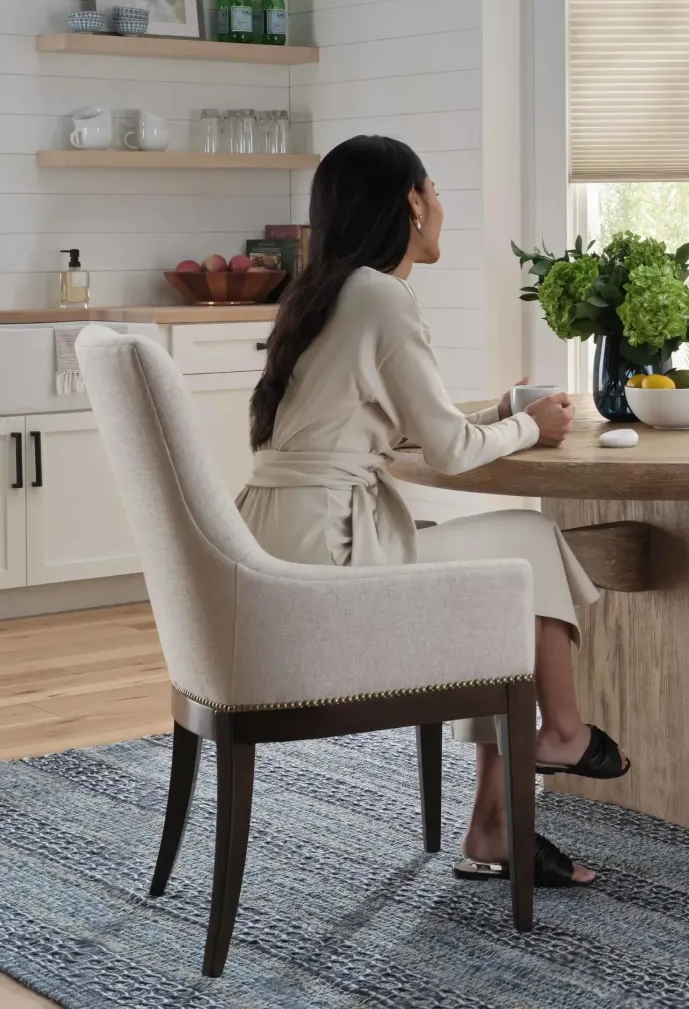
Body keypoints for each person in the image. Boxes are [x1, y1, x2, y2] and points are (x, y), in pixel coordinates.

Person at [238, 135, 625, 889]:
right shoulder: (381, 294)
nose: (442, 207)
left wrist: (501, 412)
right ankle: (563, 736)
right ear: (411, 203)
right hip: (329, 559)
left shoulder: (329, 291)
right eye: (436, 191)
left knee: (506, 562)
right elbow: (447, 451)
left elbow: (409, 421)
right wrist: (531, 427)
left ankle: (498, 816)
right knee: (527, 540)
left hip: (288, 540)